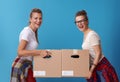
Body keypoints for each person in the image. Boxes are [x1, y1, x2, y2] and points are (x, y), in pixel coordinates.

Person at [74, 10, 119, 82]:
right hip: (95, 67)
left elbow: (98, 53)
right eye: (77, 22)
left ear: (87, 21)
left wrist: (91, 70)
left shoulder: (92, 35)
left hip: (102, 68)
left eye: (82, 21)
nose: (79, 24)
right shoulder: (85, 35)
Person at [10, 8, 49, 82]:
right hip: (21, 65)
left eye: (40, 18)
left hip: (27, 65)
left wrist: (42, 54)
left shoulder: (33, 32)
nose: (38, 21)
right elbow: (19, 52)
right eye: (35, 18)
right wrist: (39, 52)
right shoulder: (27, 31)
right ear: (30, 19)